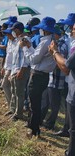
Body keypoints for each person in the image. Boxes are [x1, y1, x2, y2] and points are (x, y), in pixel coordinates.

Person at [21, 17, 57, 136]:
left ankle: (34, 129)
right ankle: (32, 124)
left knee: (34, 103)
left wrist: (25, 48)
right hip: (43, 76)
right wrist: (30, 46)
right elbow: (37, 55)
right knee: (35, 102)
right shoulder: (51, 40)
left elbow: (34, 60)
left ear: (44, 29)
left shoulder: (45, 42)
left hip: (37, 76)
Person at [48, 23, 75, 156]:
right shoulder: (68, 42)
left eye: (73, 28)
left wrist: (55, 52)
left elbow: (65, 67)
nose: (71, 31)